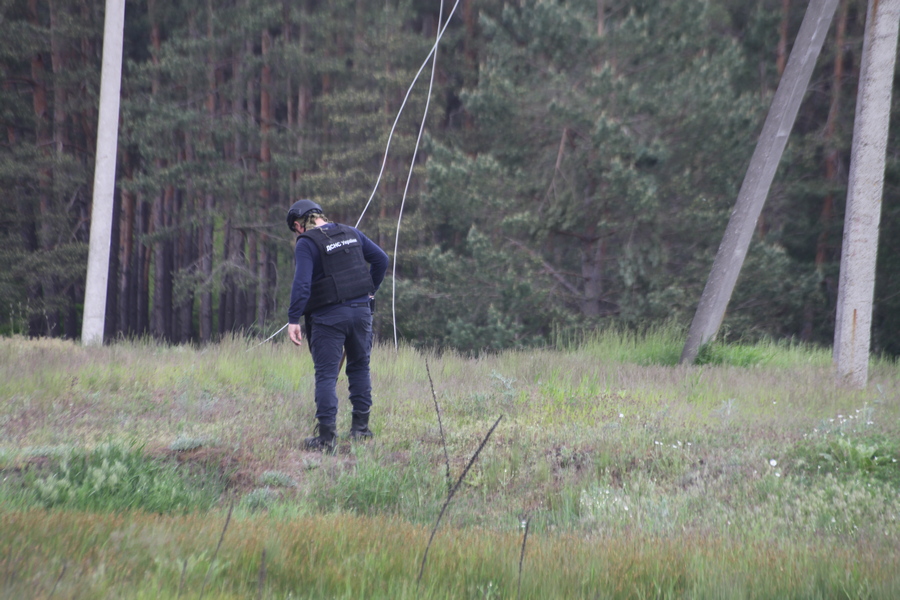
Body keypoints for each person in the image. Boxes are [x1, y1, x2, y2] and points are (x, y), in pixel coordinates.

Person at [286, 199, 389, 452]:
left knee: (326, 375)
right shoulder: (350, 232)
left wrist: (293, 319)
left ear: (299, 225)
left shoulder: (306, 242)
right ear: (320, 215)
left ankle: (326, 439)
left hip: (327, 318)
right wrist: (369, 292)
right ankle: (360, 430)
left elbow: (302, 284)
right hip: (361, 313)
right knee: (359, 367)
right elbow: (381, 260)